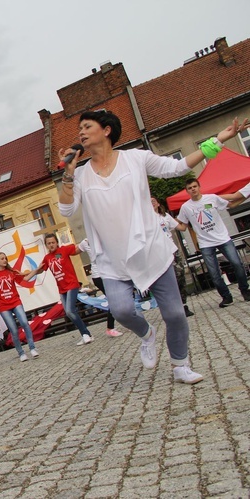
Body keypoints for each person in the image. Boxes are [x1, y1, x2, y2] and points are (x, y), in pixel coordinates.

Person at [58, 110, 247, 383]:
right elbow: (66, 209)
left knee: (174, 313)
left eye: (87, 127)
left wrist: (216, 142)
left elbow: (177, 168)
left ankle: (180, 365)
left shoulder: (135, 158)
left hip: (149, 248)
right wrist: (68, 174)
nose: (81, 133)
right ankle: (147, 334)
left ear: (107, 130)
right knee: (122, 310)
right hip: (112, 258)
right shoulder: (81, 175)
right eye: (80, 129)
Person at [175, 178, 250, 308]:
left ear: (199, 187)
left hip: (223, 238)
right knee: (214, 274)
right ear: (187, 191)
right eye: (190, 188)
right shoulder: (185, 207)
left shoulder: (212, 198)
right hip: (205, 243)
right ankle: (226, 297)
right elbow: (183, 226)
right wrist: (166, 220)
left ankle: (245, 290)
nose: (193, 189)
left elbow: (231, 205)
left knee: (237, 264)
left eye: (194, 186)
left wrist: (246, 196)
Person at [24, 233, 94, 345]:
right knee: (68, 312)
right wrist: (27, 276)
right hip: (62, 289)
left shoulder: (63, 250)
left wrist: (86, 242)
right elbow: (40, 269)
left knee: (70, 311)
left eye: (53, 242)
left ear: (57, 243)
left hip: (71, 284)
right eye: (48, 243)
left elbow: (77, 249)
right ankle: (87, 334)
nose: (51, 245)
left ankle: (85, 334)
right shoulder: (47, 258)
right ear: (46, 245)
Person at [0, 251, 40, 361]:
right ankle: (21, 353)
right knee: (13, 330)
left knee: (24, 322)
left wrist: (37, 270)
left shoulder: (11, 272)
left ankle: (32, 348)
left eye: (5, 258)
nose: (5, 260)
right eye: (2, 258)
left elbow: (25, 279)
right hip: (3, 306)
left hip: (15, 301)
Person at [150, 197, 194, 317]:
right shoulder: (146, 219)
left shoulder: (165, 217)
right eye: (149, 202)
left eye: (153, 201)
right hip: (159, 253)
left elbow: (181, 227)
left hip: (172, 250)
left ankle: (183, 305)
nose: (152, 203)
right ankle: (172, 307)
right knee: (166, 281)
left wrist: (187, 217)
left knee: (180, 276)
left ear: (158, 203)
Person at [79, 238, 125, 334]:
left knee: (118, 298)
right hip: (98, 276)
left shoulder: (101, 236)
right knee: (114, 300)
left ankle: (122, 323)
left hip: (108, 273)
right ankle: (111, 328)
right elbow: (74, 250)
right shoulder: (85, 242)